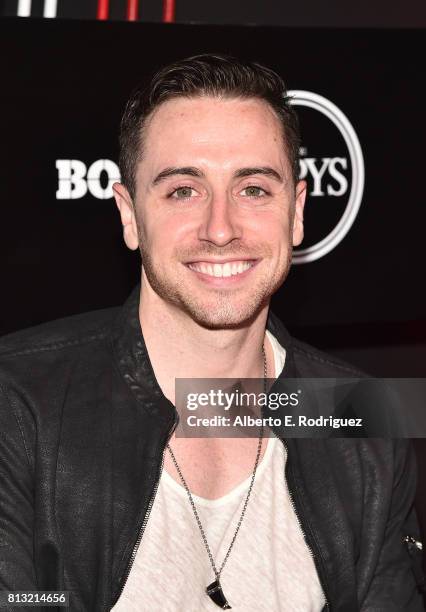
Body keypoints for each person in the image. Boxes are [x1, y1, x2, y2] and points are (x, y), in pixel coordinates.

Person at [0, 54, 423, 612]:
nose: (220, 228)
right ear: (129, 214)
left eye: (253, 189)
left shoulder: (363, 415)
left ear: (296, 211)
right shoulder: (18, 400)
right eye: (183, 190)